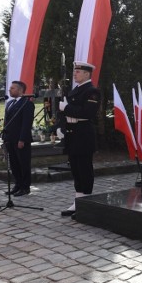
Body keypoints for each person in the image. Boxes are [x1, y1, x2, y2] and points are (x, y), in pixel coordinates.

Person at [59, 61, 101, 218]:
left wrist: (67, 108)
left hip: (83, 134)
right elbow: (64, 111)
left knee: (84, 169)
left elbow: (87, 113)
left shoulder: (92, 92)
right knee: (75, 169)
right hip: (72, 133)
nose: (75, 73)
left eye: (78, 71)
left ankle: (86, 203)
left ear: (87, 74)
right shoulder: (74, 91)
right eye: (75, 70)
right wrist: (61, 127)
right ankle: (78, 201)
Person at [2, 81, 35, 197]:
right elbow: (7, 122)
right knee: (14, 164)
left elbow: (27, 123)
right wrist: (4, 138)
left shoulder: (27, 103)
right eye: (10, 88)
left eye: (12, 88)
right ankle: (18, 185)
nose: (10, 90)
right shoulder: (9, 103)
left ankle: (25, 187)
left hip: (21, 140)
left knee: (23, 163)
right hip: (10, 139)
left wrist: (22, 139)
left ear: (20, 90)